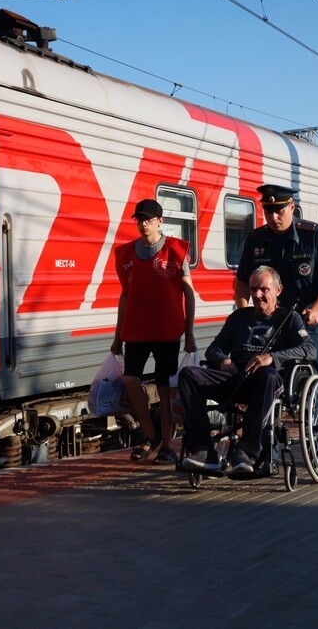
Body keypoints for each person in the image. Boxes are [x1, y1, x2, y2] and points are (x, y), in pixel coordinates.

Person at [178, 266, 315, 474]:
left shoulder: (289, 319)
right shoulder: (238, 318)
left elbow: (309, 348)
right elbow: (214, 349)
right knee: (188, 375)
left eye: (264, 290)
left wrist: (273, 357)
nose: (257, 295)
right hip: (234, 377)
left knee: (268, 375)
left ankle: (247, 451)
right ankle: (204, 451)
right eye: (253, 290)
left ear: (278, 290)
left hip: (265, 382)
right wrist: (223, 359)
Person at [111, 198, 196, 464]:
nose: (143, 224)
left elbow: (188, 292)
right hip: (135, 330)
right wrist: (117, 336)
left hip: (168, 330)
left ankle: (168, 444)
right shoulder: (125, 254)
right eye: (139, 219)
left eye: (148, 219)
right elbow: (125, 295)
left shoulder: (175, 250)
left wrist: (190, 332)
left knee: (164, 386)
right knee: (131, 380)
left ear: (160, 221)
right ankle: (150, 434)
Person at [234, 184, 318, 376]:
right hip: (270, 325)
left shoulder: (313, 236)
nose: (273, 217)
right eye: (268, 212)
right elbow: (243, 281)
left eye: (279, 211)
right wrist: (244, 312)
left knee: (312, 377)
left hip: (307, 323)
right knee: (269, 379)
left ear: (292, 208)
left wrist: (317, 309)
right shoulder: (255, 239)